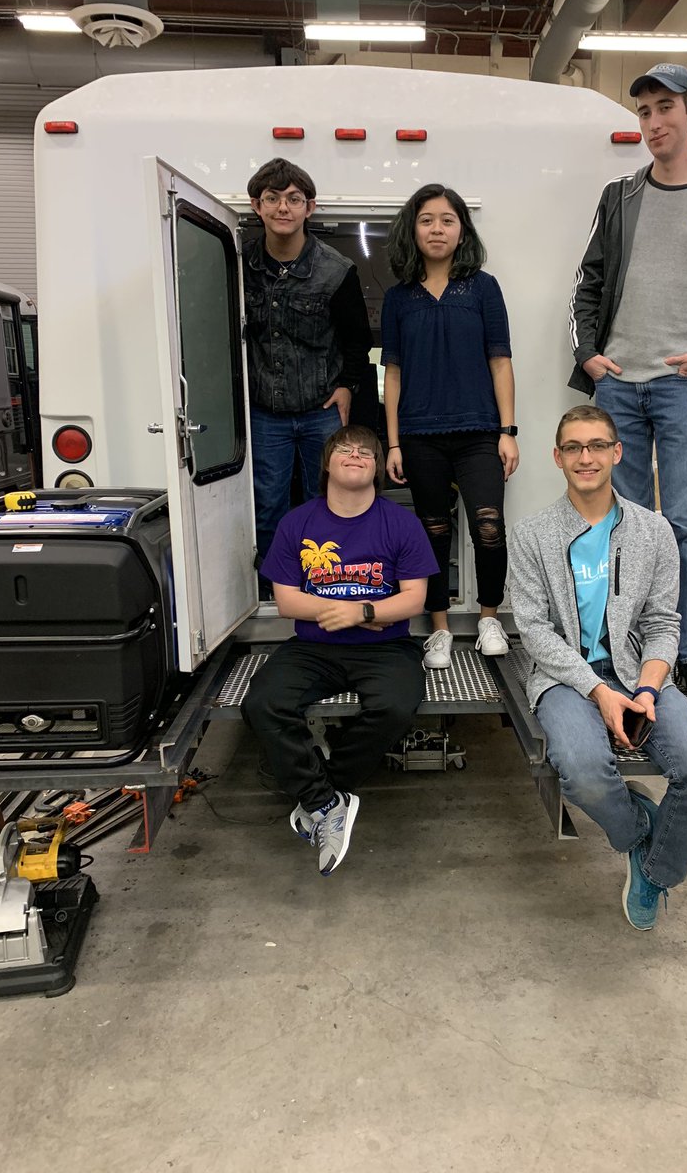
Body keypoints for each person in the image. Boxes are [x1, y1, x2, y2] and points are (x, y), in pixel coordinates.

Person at [567, 63, 687, 706]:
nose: (653, 122)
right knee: (614, 523)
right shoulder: (619, 196)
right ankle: (620, 649)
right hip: (618, 384)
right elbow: (588, 282)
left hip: (682, 386)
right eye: (645, 111)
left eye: (664, 109)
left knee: (684, 523)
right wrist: (590, 353)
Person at [509, 405, 687, 931]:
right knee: (582, 773)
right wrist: (596, 691)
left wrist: (649, 689)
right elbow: (534, 631)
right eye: (574, 448)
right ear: (558, 458)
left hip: (638, 670)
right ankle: (639, 830)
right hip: (564, 677)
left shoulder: (654, 532)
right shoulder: (531, 535)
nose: (587, 457)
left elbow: (662, 623)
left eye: (597, 446)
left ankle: (655, 869)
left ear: (617, 453)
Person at [241, 424, 438, 876]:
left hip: (385, 646)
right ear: (326, 463)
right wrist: (342, 610)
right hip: (314, 648)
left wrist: (361, 614)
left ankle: (324, 792)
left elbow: (414, 599)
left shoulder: (400, 523)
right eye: (344, 449)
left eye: (366, 452)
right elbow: (287, 600)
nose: (355, 455)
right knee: (262, 703)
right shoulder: (298, 522)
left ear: (376, 468)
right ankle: (325, 801)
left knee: (395, 707)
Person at [381, 184, 519, 670]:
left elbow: (500, 361)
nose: (437, 229)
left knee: (489, 525)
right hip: (420, 435)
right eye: (426, 220)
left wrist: (509, 430)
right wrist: (393, 442)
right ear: (412, 229)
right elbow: (392, 372)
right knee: (432, 531)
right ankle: (438, 629)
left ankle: (488, 618)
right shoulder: (399, 298)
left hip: (479, 430)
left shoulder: (483, 288)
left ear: (462, 230)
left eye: (447, 220)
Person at [244, 158, 374, 594]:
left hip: (321, 408)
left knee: (329, 500)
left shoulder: (336, 271)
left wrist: (346, 387)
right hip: (264, 412)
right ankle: (275, 590)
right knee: (267, 505)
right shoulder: (238, 264)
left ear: (310, 208)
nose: (284, 207)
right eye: (273, 198)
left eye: (294, 199)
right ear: (256, 206)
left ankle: (328, 583)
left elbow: (358, 339)